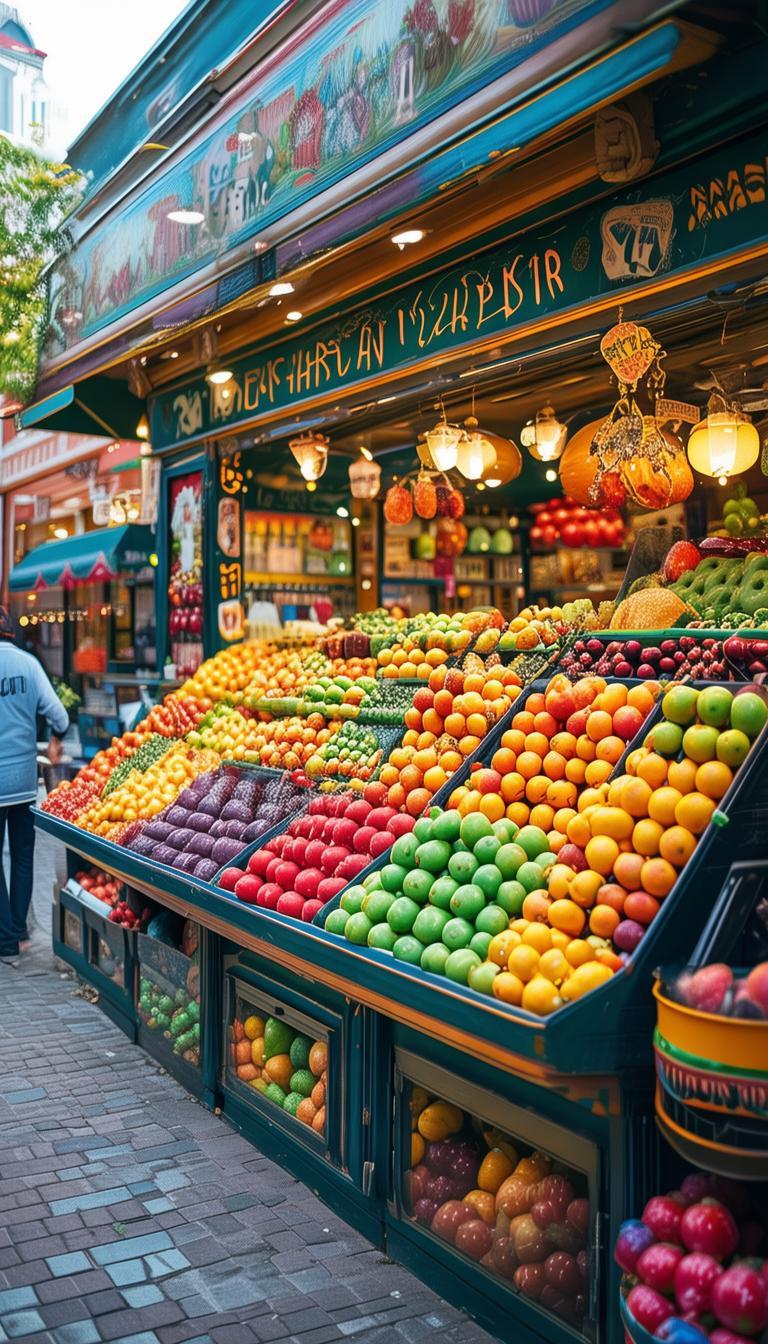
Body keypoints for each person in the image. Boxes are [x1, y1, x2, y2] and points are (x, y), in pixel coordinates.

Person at [0, 607, 69, 964]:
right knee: (23, 857)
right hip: (24, 781)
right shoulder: (28, 664)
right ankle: (19, 934)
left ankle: (6, 936)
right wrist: (56, 739)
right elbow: (60, 715)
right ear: (12, 631)